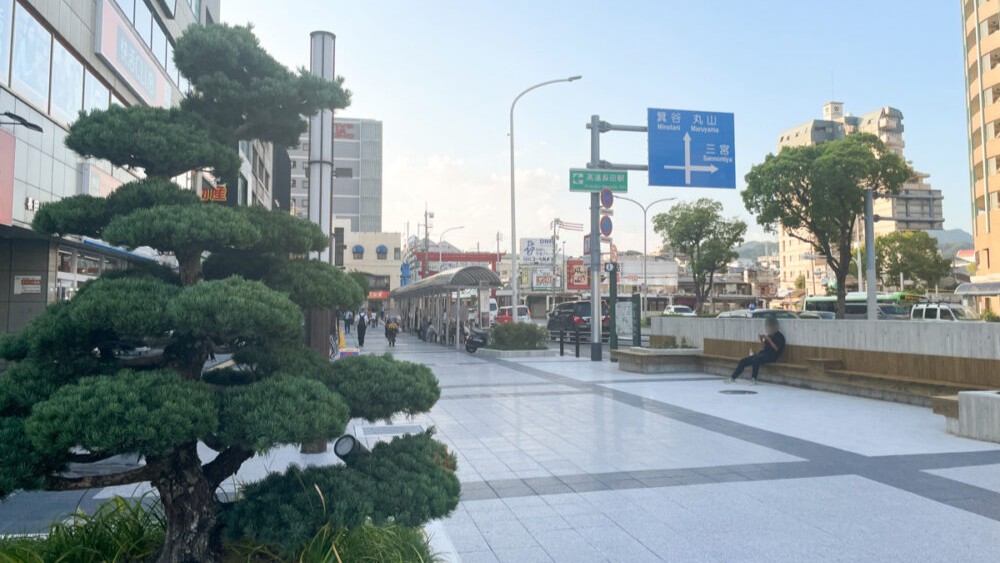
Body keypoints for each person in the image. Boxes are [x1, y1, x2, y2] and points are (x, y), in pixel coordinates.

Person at [726, 317, 785, 385]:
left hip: (772, 356)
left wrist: (768, 339)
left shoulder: (780, 336)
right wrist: (761, 339)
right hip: (764, 354)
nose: (769, 328)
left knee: (756, 359)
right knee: (743, 361)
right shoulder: (769, 335)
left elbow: (776, 349)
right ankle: (732, 378)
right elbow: (764, 346)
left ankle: (754, 379)